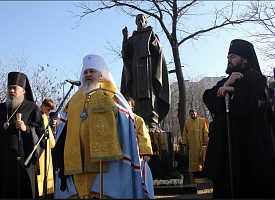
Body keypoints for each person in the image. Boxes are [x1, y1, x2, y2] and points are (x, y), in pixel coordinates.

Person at [53, 54, 147, 199]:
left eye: (92, 71)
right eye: (85, 72)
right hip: (76, 161)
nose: (88, 74)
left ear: (101, 76)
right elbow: (62, 128)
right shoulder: (73, 100)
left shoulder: (112, 95)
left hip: (108, 163)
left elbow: (126, 120)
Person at [203, 39, 275, 198]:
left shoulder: (257, 79)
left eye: (233, 56)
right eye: (228, 57)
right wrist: (228, 83)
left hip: (248, 152)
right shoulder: (224, 81)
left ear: (245, 59)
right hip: (226, 153)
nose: (228, 60)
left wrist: (234, 90)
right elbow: (209, 99)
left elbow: (259, 101)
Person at [121, 14, 170, 133]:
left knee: (150, 97)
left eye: (142, 18)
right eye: (138, 19)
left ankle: (151, 123)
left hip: (149, 73)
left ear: (146, 21)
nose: (140, 20)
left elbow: (158, 50)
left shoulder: (150, 34)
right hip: (135, 74)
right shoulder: (132, 39)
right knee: (135, 97)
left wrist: (153, 35)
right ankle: (138, 122)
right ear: (136, 22)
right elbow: (126, 55)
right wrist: (125, 39)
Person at [0, 72, 45, 198]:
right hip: (3, 160)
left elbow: (40, 133)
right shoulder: (2, 108)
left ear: (23, 91)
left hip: (23, 160)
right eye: (10, 88)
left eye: (15, 88)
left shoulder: (31, 108)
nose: (12, 91)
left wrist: (27, 129)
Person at [125, 96, 154, 198]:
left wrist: (146, 154)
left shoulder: (138, 120)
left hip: (135, 155)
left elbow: (144, 137)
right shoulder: (118, 118)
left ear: (132, 107)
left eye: (128, 104)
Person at [37, 99, 56, 198]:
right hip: (41, 149)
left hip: (47, 149)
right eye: (48, 109)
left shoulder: (44, 116)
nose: (49, 112)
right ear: (43, 105)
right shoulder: (37, 115)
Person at [182, 109, 209, 176]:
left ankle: (202, 172)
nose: (193, 115)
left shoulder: (202, 121)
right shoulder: (187, 123)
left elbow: (206, 132)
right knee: (193, 158)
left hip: (201, 144)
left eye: (194, 114)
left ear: (196, 113)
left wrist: (207, 141)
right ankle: (194, 173)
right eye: (191, 114)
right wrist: (185, 144)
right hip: (192, 145)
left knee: (201, 158)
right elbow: (185, 134)